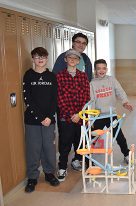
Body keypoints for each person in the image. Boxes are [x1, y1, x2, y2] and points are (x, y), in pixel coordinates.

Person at [23, 47, 59, 193]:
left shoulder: (51, 76)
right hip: (32, 120)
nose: (40, 59)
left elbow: (55, 99)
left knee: (49, 148)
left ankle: (49, 173)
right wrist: (40, 118)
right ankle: (32, 178)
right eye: (37, 57)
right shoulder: (28, 75)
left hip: (49, 121)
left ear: (47, 58)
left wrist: (49, 117)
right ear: (33, 58)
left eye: (43, 56)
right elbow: (28, 99)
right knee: (33, 149)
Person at [90, 59, 133, 163]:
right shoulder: (92, 84)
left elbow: (120, 91)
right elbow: (92, 101)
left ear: (107, 69)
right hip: (98, 116)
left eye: (104, 68)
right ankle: (87, 159)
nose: (101, 70)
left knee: (119, 136)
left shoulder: (112, 80)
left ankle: (126, 155)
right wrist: (91, 118)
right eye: (99, 68)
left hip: (111, 115)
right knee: (93, 138)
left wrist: (125, 102)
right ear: (95, 70)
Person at [56, 49, 90, 182]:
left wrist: (80, 114)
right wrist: (72, 115)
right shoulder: (59, 76)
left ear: (78, 61)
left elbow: (86, 97)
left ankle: (80, 162)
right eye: (70, 57)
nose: (72, 60)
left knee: (80, 142)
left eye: (75, 58)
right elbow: (60, 99)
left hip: (81, 117)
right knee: (65, 144)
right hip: (66, 117)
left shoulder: (83, 76)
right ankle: (62, 168)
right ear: (65, 59)